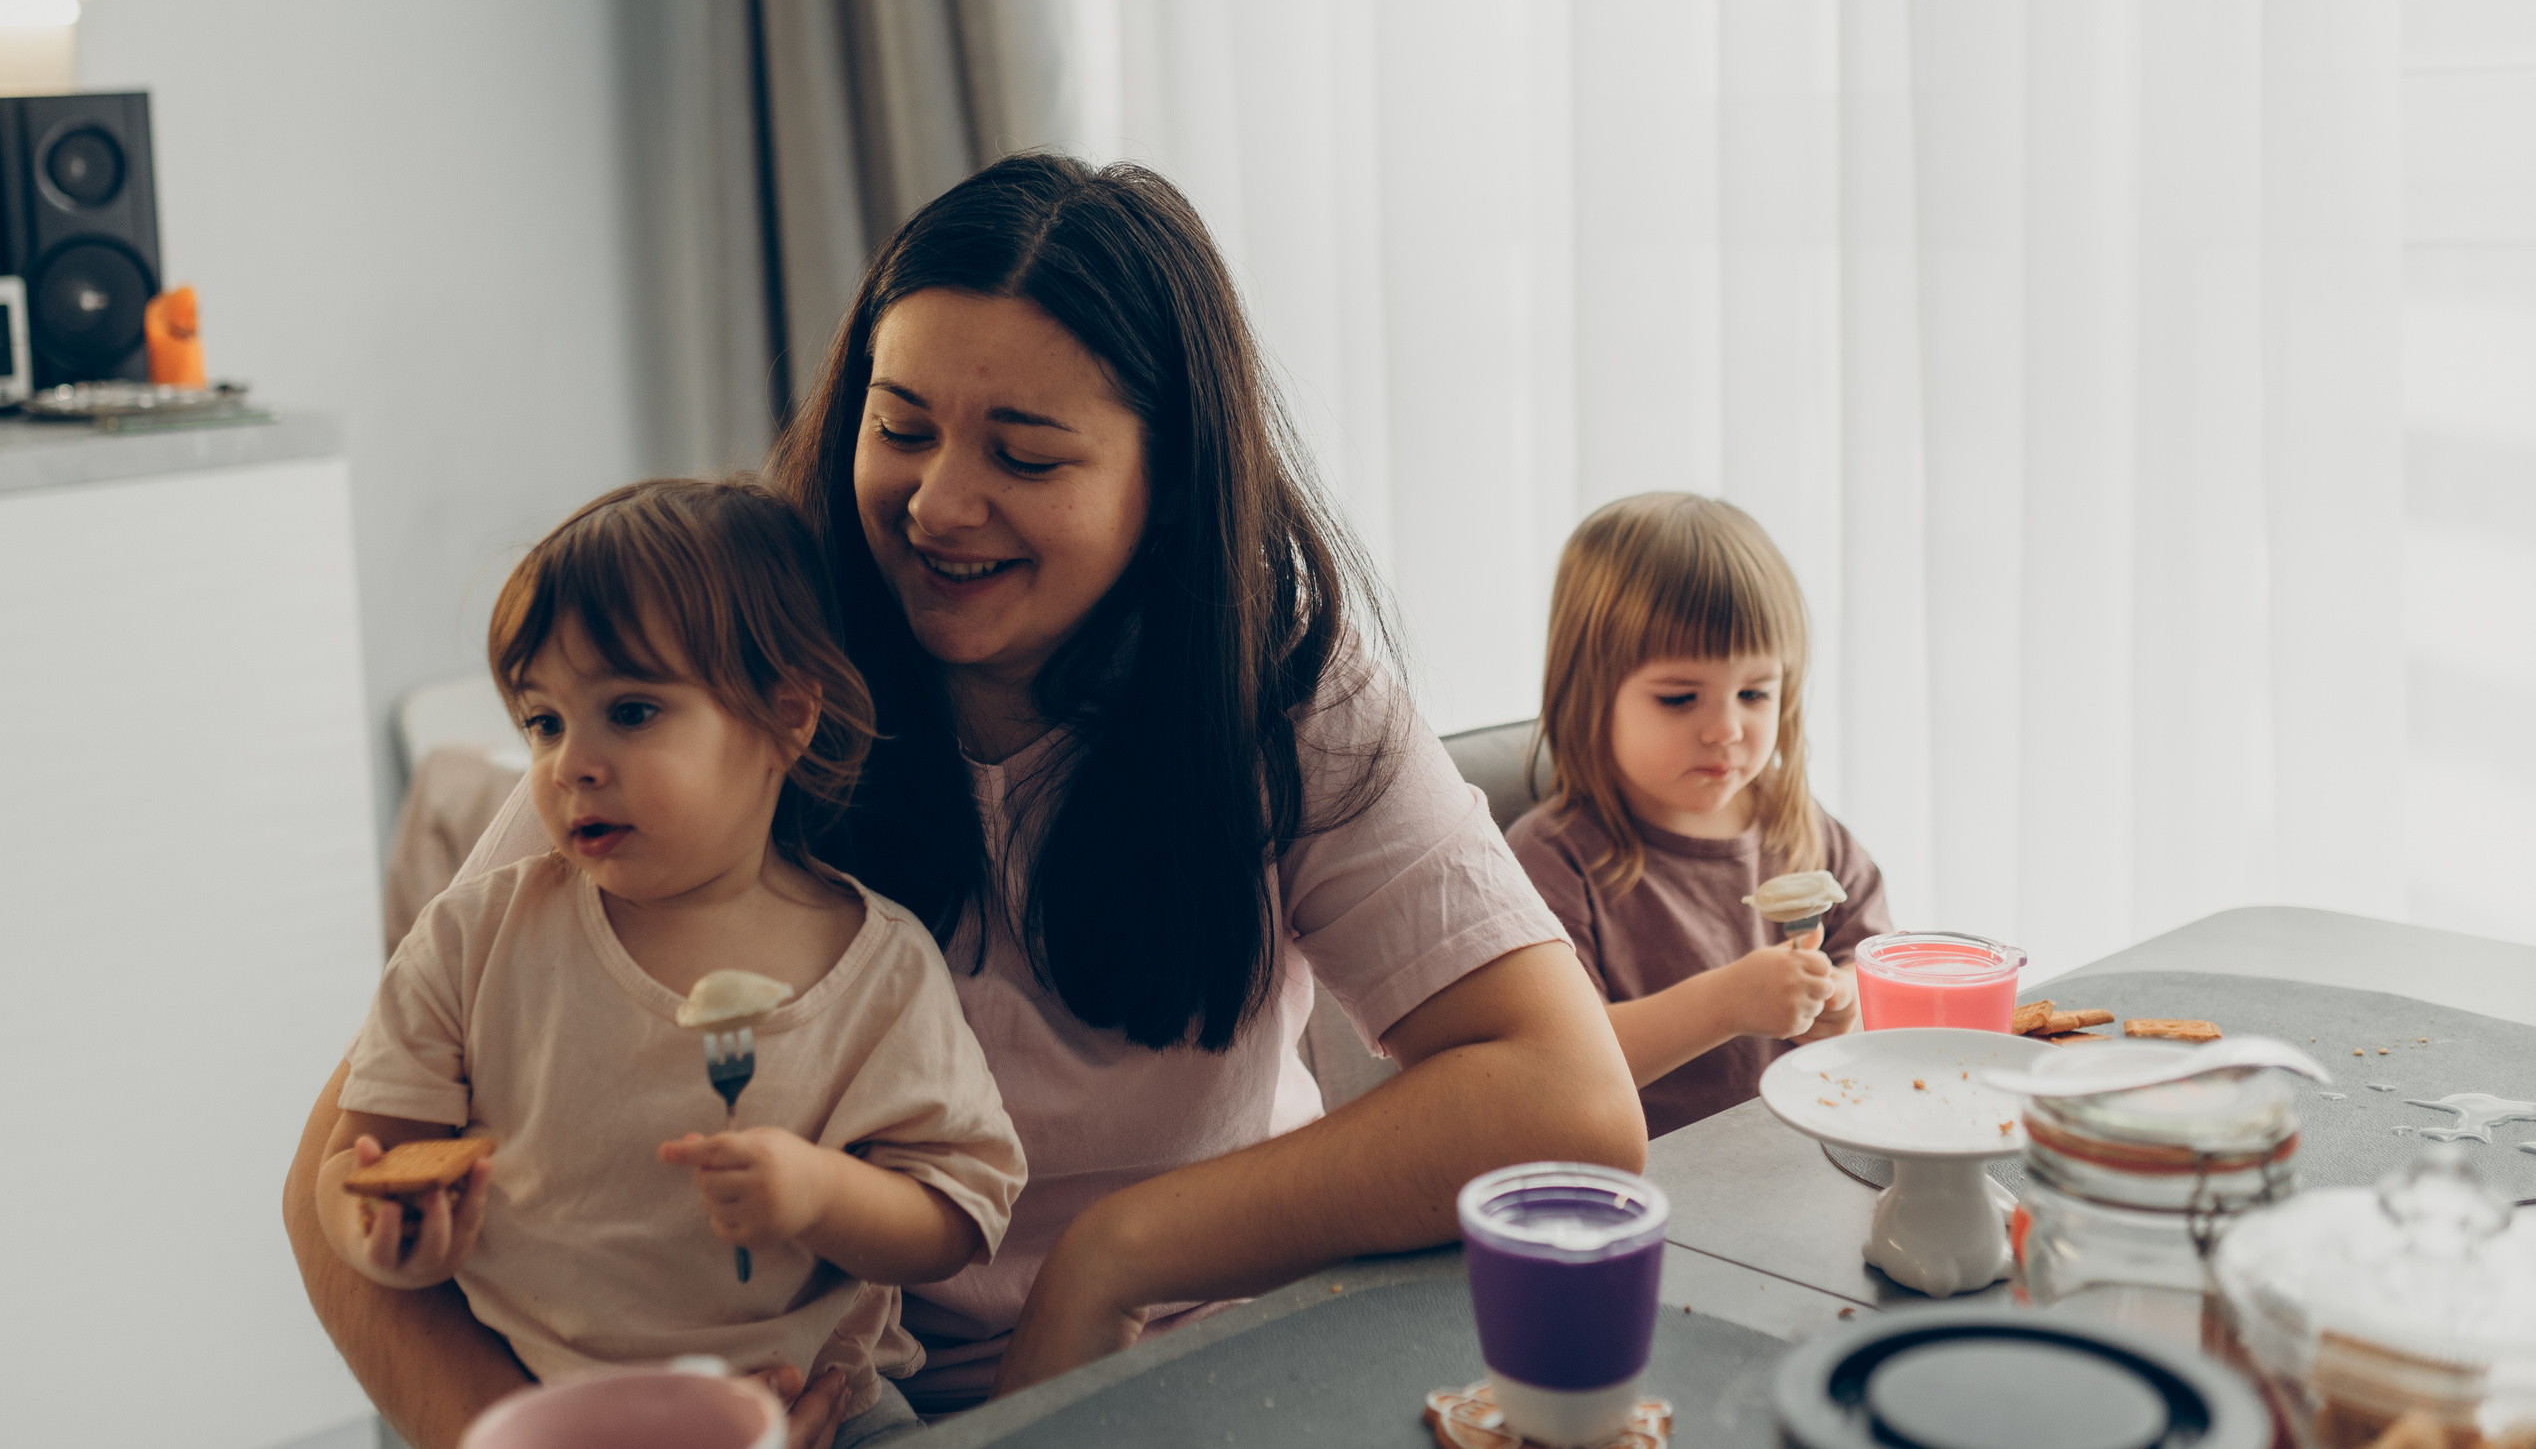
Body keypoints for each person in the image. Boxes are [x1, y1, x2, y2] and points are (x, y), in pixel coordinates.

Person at [284, 156, 1643, 1449]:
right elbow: (332, 1185)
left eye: (1028, 455)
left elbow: (1563, 1095)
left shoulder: (1274, 682)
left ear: (1166, 487)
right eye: (901, 427)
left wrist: (1118, 1256)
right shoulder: (735, 663)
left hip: (1187, 1361)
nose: (939, 504)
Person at [314, 478, 1024, 1448]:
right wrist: (386, 1235)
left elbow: (958, 1209)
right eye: (544, 720)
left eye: (632, 710)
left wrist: (819, 1192)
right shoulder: (474, 936)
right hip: (537, 1403)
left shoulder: (879, 965)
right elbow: (356, 1161)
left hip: (817, 1409)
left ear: (787, 717)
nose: (571, 763)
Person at [1507, 493, 1894, 1139]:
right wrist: (1727, 1003)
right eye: (1680, 698)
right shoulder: (1555, 857)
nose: (1725, 729)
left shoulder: (1796, 823)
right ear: (1587, 694)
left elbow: (1875, 963)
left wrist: (1844, 1001)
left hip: (1799, 1157)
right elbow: (1560, 1064)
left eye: (1754, 692)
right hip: (1651, 1188)